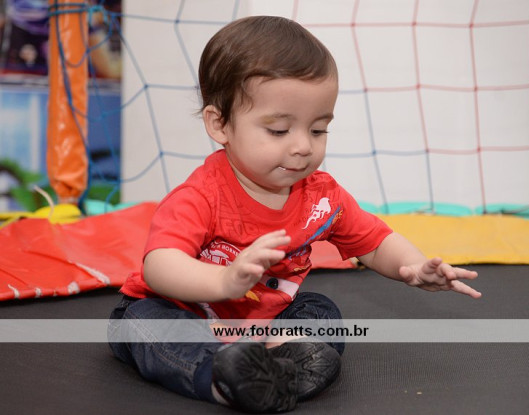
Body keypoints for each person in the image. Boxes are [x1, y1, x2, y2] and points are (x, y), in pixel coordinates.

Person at [108, 15, 481, 413]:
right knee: (147, 325)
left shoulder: (321, 197)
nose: (303, 146)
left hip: (263, 320)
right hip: (183, 311)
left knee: (321, 311)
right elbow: (159, 266)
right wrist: (224, 280)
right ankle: (223, 379)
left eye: (318, 130)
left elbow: (375, 242)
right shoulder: (202, 195)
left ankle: (281, 364)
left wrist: (414, 266)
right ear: (220, 125)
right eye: (279, 131)